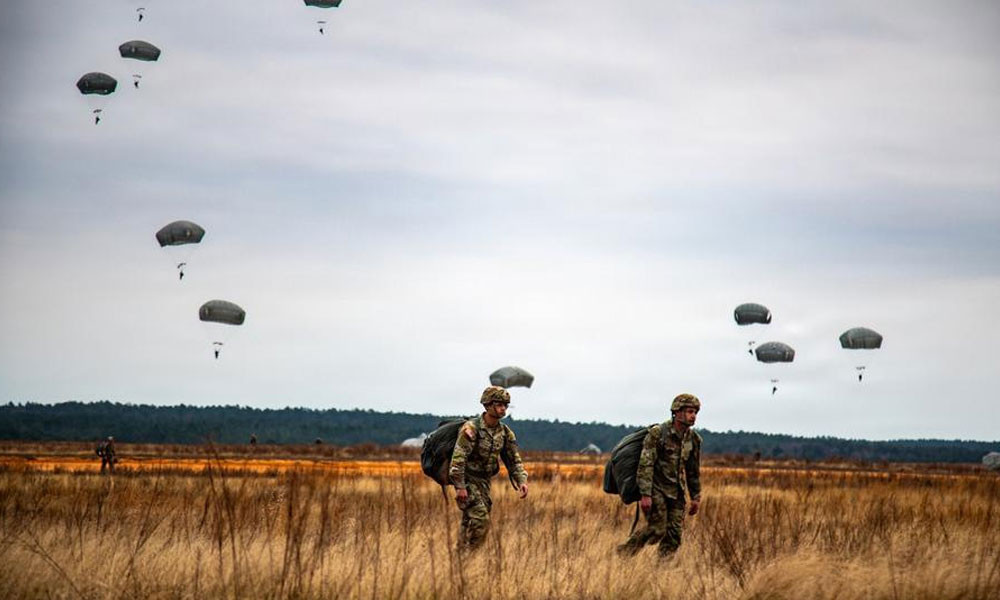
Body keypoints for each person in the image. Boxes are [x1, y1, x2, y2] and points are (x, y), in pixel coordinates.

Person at [617, 393, 702, 560]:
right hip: (656, 490)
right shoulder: (658, 434)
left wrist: (696, 497)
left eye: (695, 413)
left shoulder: (694, 439)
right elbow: (645, 464)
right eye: (690, 411)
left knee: (674, 536)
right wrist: (645, 494)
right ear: (677, 412)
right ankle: (625, 553)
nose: (693, 416)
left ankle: (662, 570)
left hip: (677, 493)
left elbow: (693, 470)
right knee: (656, 530)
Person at [449, 385, 529, 551]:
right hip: (468, 479)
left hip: (484, 482)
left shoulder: (505, 432)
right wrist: (460, 486)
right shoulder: (471, 429)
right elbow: (458, 459)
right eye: (499, 404)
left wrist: (521, 480)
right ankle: (470, 556)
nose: (503, 409)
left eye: (505, 405)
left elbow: (514, 459)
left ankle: (459, 558)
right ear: (487, 405)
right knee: (480, 519)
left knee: (469, 521)